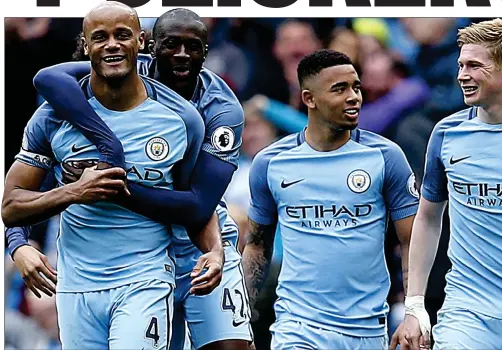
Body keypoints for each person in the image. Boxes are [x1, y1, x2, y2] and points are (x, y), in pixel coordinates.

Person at [27, 8, 252, 350]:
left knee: (230, 347)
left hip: (197, 242)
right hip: (142, 251)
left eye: (192, 46)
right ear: (150, 46)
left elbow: (198, 205)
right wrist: (107, 143)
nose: (180, 54)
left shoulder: (219, 109)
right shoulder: (127, 71)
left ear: (206, 52)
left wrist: (111, 187)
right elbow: (48, 78)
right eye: (171, 44)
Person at [403, 18, 502, 350]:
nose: (462, 75)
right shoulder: (446, 133)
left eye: (474, 66)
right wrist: (414, 303)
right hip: (467, 315)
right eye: (461, 64)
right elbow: (428, 217)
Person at [242, 49, 418, 349]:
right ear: (309, 99)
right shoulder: (271, 162)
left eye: (356, 87)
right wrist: (240, 316)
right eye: (340, 89)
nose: (354, 97)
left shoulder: (386, 157)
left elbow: (413, 241)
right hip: (297, 326)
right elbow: (257, 244)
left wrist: (414, 311)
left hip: (365, 330)